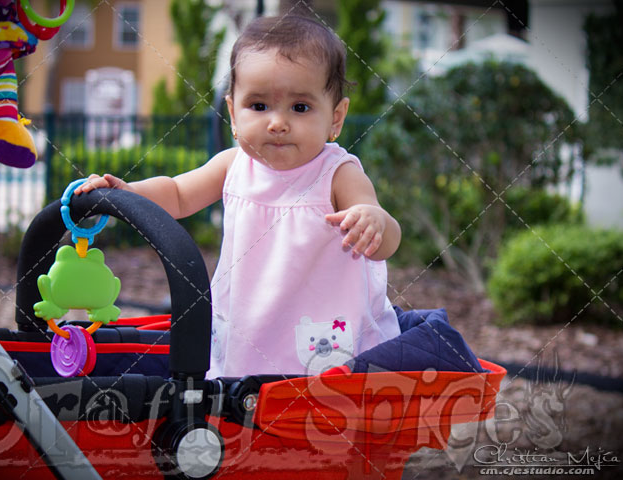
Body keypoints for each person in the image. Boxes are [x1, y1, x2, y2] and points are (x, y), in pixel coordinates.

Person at [76, 15, 483, 378]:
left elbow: (384, 236)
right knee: (244, 403)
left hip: (325, 335)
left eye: (300, 107)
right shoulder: (232, 165)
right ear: (234, 115)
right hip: (250, 327)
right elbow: (179, 193)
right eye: (259, 105)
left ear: (335, 118)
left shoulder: (336, 173)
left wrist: (374, 222)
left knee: (327, 418)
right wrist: (127, 194)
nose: (277, 123)